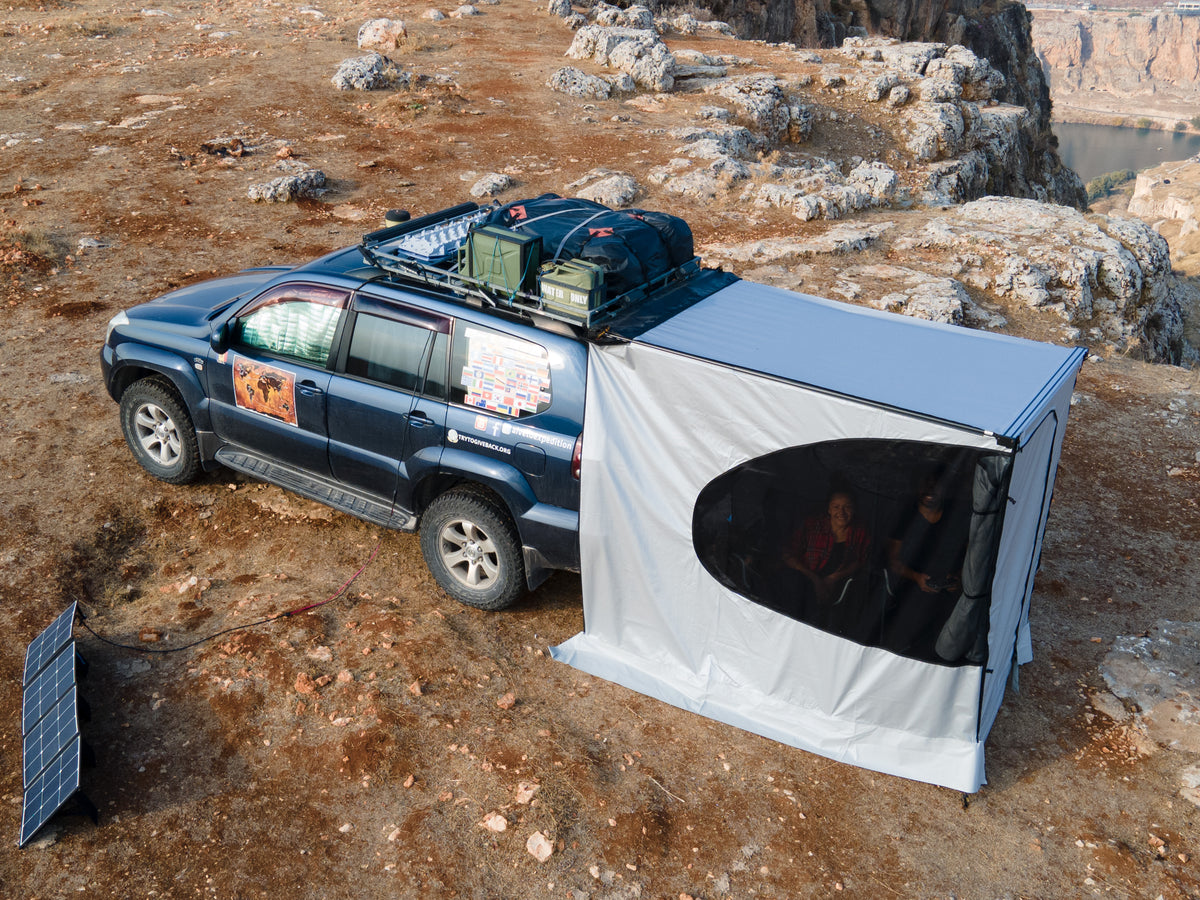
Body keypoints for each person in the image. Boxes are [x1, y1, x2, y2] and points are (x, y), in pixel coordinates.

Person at [884, 467, 969, 659]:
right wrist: (916, 577)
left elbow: (972, 551)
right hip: (912, 586)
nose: (930, 490)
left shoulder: (955, 515)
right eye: (926, 485)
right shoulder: (905, 516)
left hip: (949, 588)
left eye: (936, 486)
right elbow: (893, 562)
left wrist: (959, 576)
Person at [782, 488, 871, 626]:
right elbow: (788, 554)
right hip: (804, 581)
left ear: (854, 510)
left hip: (838, 587)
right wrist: (815, 580)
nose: (841, 512)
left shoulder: (859, 531)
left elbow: (860, 560)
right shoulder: (812, 525)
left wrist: (833, 578)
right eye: (836, 507)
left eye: (847, 507)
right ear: (829, 509)